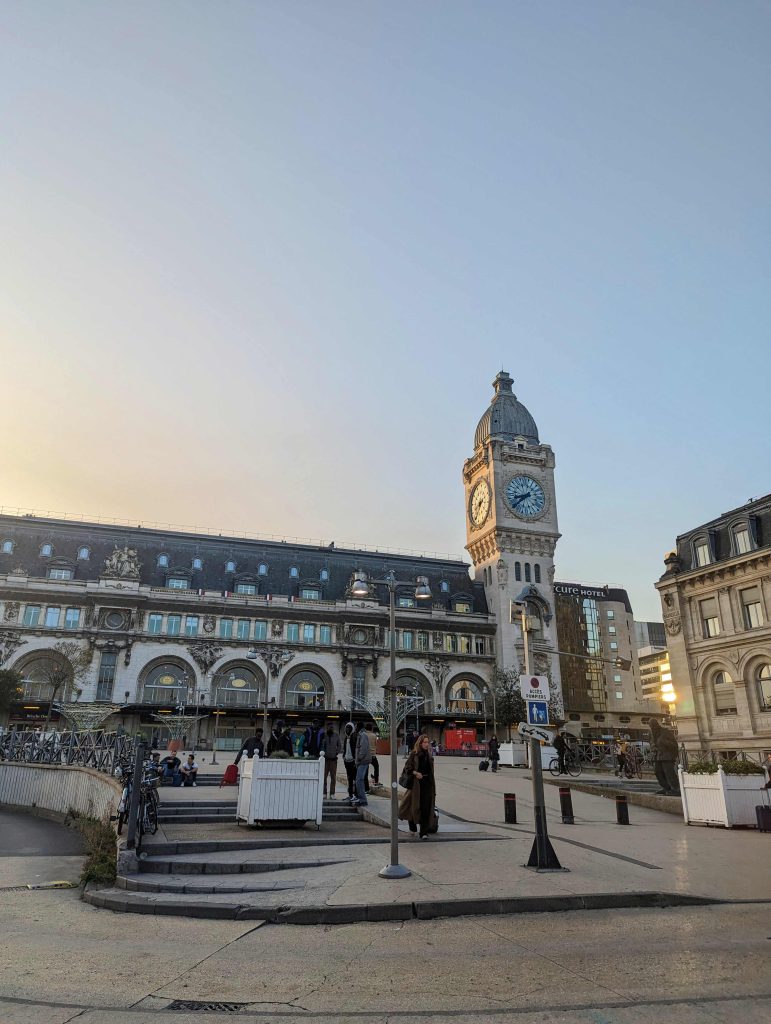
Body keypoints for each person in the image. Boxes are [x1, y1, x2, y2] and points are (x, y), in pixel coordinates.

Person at [398, 734, 437, 839]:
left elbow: (431, 772)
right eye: (424, 742)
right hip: (416, 785)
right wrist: (416, 773)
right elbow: (407, 768)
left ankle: (423, 832)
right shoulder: (414, 754)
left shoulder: (429, 756)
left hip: (427, 784)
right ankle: (412, 826)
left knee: (426, 808)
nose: (426, 744)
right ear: (420, 743)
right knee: (414, 807)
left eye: (427, 742)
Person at [648, 717, 680, 795]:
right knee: (657, 772)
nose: (652, 727)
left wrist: (663, 742)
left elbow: (674, 744)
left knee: (669, 772)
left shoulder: (665, 732)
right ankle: (666, 787)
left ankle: (676, 789)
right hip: (657, 755)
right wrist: (653, 747)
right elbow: (651, 743)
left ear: (656, 724)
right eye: (650, 725)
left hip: (667, 755)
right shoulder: (651, 733)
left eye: (653, 725)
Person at [353, 721, 373, 806]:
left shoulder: (362, 735)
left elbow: (363, 749)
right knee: (359, 780)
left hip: (363, 761)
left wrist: (358, 759)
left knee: (359, 780)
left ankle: (363, 800)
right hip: (363, 760)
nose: (355, 728)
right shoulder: (362, 734)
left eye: (356, 727)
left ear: (358, 727)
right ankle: (361, 799)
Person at [321, 723, 341, 798]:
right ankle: (324, 793)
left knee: (333, 777)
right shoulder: (324, 735)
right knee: (324, 777)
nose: (331, 728)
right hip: (325, 760)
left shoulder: (336, 735)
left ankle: (332, 793)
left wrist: (336, 752)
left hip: (333, 760)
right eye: (329, 727)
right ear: (327, 728)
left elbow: (339, 745)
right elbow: (322, 745)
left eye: (332, 727)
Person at [342, 722, 357, 803]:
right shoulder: (345, 738)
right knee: (349, 778)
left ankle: (355, 795)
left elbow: (356, 749)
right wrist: (344, 756)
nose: (347, 730)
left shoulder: (354, 737)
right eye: (346, 728)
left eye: (349, 728)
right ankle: (350, 794)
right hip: (346, 761)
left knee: (354, 779)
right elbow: (345, 748)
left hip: (353, 761)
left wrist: (355, 759)